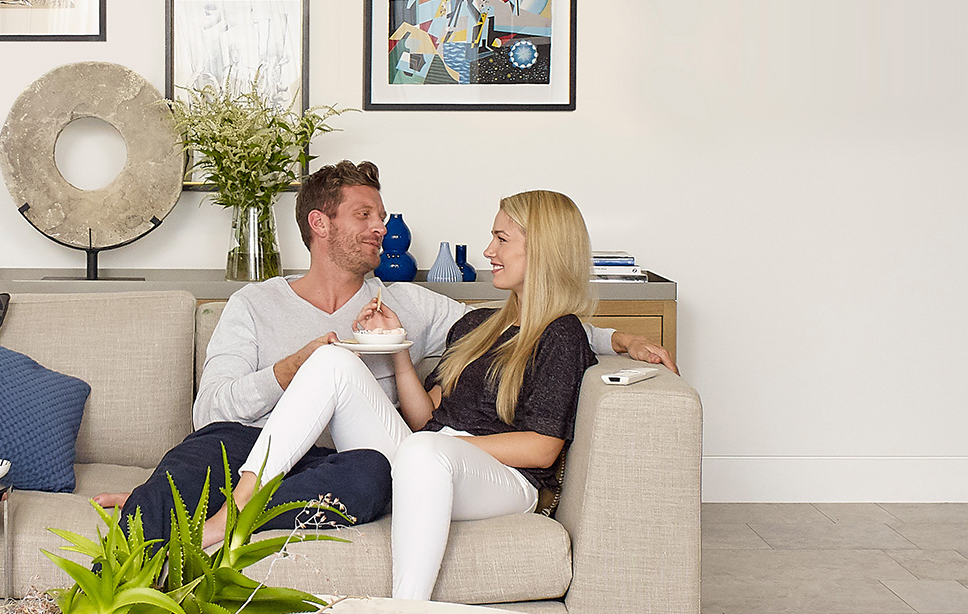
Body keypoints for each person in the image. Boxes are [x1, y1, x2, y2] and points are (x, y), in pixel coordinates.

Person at [95, 164, 670, 548]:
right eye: (364, 216)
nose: (381, 228)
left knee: (371, 479)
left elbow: (525, 330)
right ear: (320, 225)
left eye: (382, 215)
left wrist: (617, 339)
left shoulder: (410, 305)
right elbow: (211, 409)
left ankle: (214, 527)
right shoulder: (255, 303)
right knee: (198, 455)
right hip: (252, 445)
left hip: (349, 462)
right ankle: (129, 561)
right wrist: (286, 371)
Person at [211, 190, 610, 601]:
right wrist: (398, 348)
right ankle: (238, 507)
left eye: (502, 239)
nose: (488, 250)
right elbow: (424, 419)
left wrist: (445, 445)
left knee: (423, 452)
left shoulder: (562, 335)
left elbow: (542, 449)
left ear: (543, 249)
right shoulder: (478, 324)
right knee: (332, 360)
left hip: (506, 480)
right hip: (432, 457)